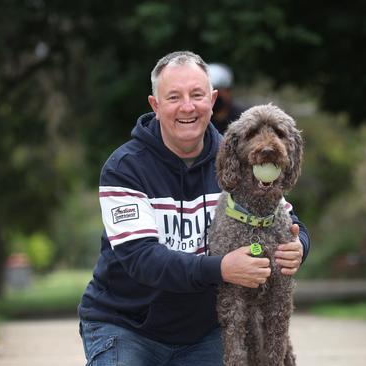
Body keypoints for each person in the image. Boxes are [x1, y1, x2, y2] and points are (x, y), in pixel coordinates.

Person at [78, 50, 310, 366]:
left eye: (196, 95)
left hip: (204, 333)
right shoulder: (125, 168)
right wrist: (221, 268)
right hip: (126, 326)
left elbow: (285, 217)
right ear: (155, 105)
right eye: (174, 97)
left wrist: (299, 246)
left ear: (212, 100)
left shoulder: (237, 157)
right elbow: (141, 258)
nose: (187, 107)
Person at [207, 63, 246, 134]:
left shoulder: (242, 118)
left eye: (217, 90)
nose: (214, 96)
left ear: (228, 91)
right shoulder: (202, 119)